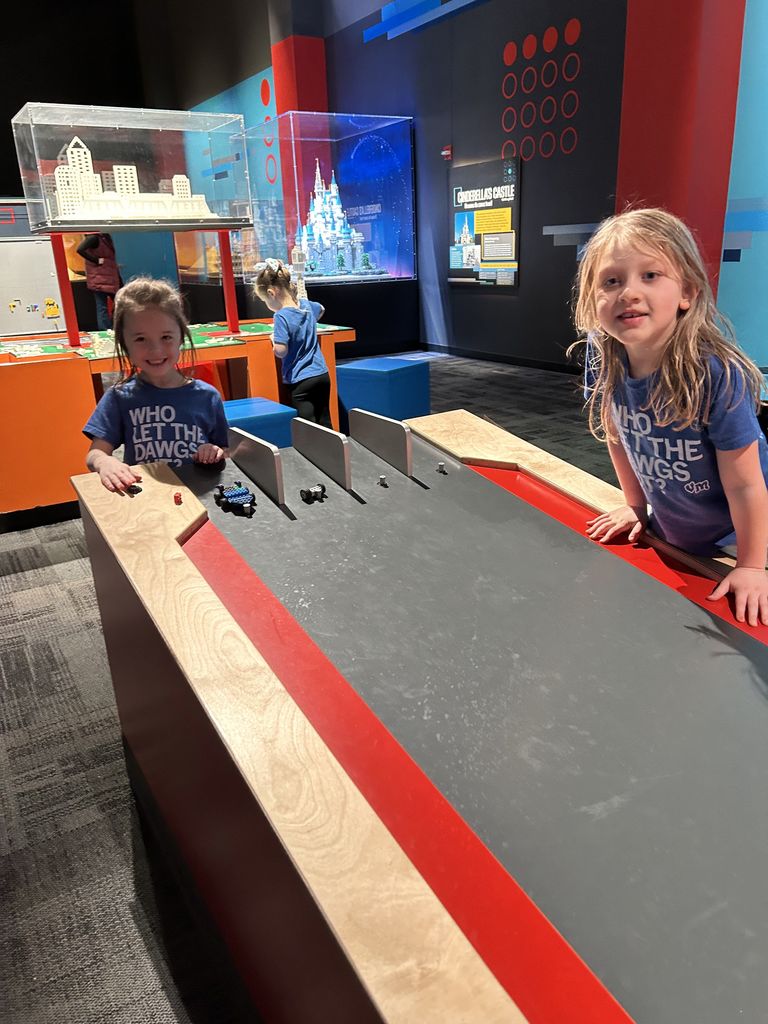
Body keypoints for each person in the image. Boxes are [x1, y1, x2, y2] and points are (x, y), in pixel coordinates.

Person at [571, 207, 768, 626]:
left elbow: (746, 483)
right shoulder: (606, 357)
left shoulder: (716, 373)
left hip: (736, 540)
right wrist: (635, 506)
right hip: (673, 530)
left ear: (688, 293)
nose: (628, 292)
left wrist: (752, 565)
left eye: (650, 275)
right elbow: (617, 433)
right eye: (611, 281)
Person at [84, 277, 228, 492]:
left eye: (166, 337)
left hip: (198, 498)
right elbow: (95, 453)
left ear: (181, 337)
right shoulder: (119, 396)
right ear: (125, 344)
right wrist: (105, 463)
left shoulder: (208, 396)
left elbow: (225, 449)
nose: (156, 350)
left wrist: (213, 452)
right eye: (141, 339)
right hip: (146, 500)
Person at [254, 258, 331, 427]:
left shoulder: (281, 316)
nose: (268, 305)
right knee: (324, 419)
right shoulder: (305, 305)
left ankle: (311, 452)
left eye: (266, 301)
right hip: (321, 374)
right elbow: (322, 309)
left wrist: (274, 340)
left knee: (307, 425)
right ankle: (336, 450)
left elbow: (281, 351)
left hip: (300, 379)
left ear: (272, 293)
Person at [77, 233, 121, 331]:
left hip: (107, 277)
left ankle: (111, 327)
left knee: (115, 303)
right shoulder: (94, 238)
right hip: (100, 278)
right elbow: (80, 249)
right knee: (103, 305)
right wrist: (96, 260)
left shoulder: (104, 237)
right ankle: (106, 328)